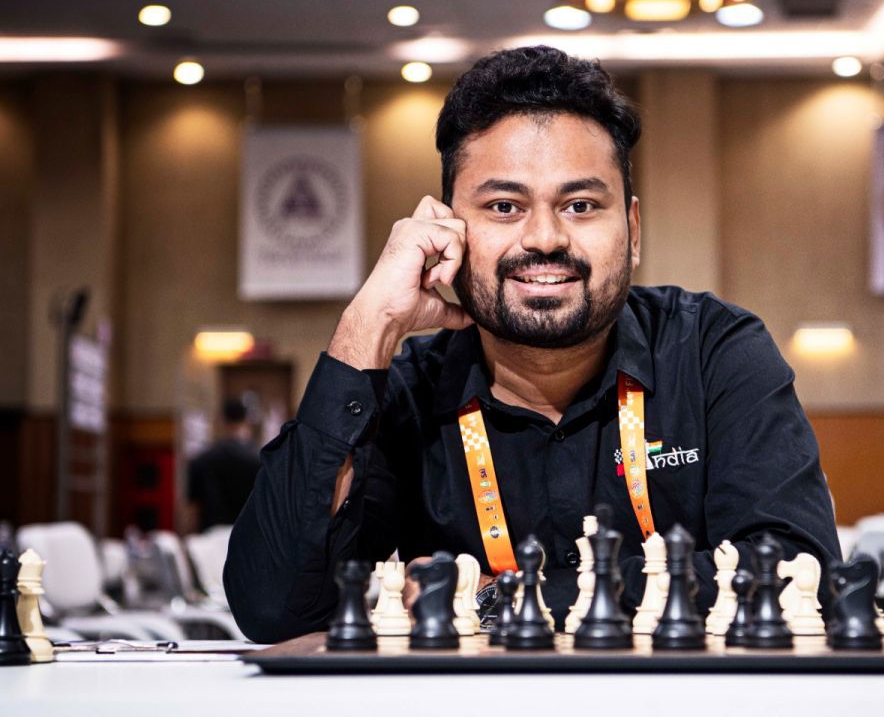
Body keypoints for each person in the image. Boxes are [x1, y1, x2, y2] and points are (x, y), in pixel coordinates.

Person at [224, 46, 840, 643]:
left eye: (580, 204)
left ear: (632, 231)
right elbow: (274, 607)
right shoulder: (407, 394)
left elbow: (796, 573)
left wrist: (494, 597)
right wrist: (367, 326)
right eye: (503, 206)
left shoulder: (714, 352)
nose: (544, 237)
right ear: (447, 231)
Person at [186, 400, 261, 532]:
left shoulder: (202, 460)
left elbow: (193, 510)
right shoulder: (259, 460)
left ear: (221, 421)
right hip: (246, 533)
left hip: (210, 533)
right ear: (246, 421)